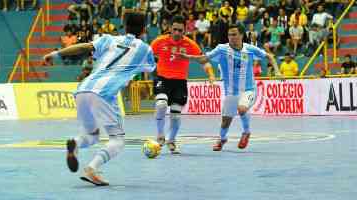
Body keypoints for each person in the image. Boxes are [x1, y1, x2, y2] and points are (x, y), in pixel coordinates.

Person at [43, 13, 156, 186]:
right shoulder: (145, 49)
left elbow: (82, 48)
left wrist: (56, 53)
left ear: (124, 26)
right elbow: (150, 68)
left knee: (91, 135)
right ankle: (92, 169)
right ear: (144, 29)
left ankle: (75, 142)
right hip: (104, 93)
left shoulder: (108, 39)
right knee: (117, 140)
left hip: (83, 89)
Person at [180, 23, 282, 151]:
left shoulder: (250, 49)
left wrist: (277, 71)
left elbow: (269, 56)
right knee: (225, 121)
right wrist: (187, 57)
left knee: (242, 108)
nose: (231, 37)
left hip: (248, 90)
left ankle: (246, 132)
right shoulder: (221, 49)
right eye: (229, 35)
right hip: (231, 93)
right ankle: (222, 139)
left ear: (241, 35)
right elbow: (203, 58)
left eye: (234, 34)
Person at [150, 15, 215, 154]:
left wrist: (210, 74)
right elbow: (146, 56)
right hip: (162, 78)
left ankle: (171, 140)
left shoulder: (190, 44)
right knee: (161, 104)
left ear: (185, 30)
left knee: (176, 115)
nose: (177, 33)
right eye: (175, 29)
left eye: (180, 30)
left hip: (180, 82)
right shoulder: (159, 41)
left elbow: (203, 60)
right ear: (170, 29)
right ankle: (160, 134)